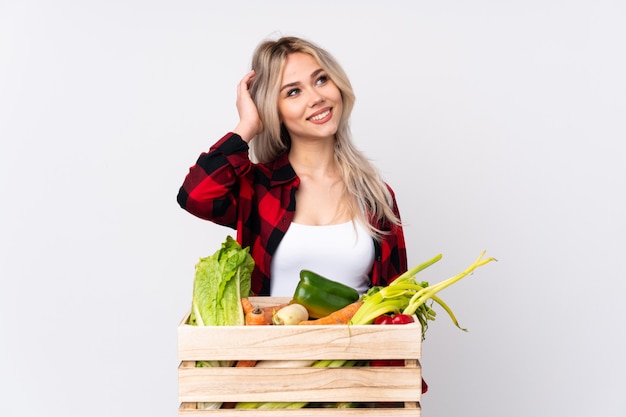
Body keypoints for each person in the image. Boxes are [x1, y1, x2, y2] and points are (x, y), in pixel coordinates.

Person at [177, 36, 407, 297]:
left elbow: (397, 299)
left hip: (358, 339)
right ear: (273, 109)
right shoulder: (257, 188)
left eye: (321, 79)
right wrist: (247, 126)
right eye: (293, 92)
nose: (317, 97)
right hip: (271, 337)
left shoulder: (374, 194)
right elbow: (194, 196)